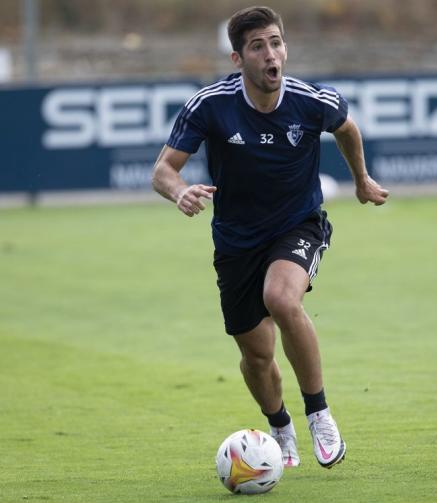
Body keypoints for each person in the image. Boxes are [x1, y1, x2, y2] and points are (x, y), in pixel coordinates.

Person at [152, 6, 388, 468]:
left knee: (282, 298)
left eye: (276, 43)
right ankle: (280, 427)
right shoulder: (211, 105)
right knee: (257, 356)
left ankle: (319, 413)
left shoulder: (310, 100)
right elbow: (163, 169)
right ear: (238, 59)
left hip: (298, 225)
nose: (271, 54)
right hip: (237, 241)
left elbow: (347, 128)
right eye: (257, 46)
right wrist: (180, 193)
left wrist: (361, 179)